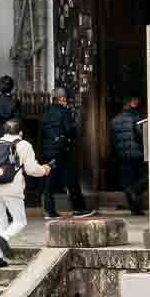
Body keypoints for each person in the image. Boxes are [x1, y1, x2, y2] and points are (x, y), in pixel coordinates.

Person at [0, 118, 49, 269]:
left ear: (4, 132)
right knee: (20, 221)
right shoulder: (23, 145)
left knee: (1, 221)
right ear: (21, 133)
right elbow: (31, 169)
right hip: (11, 189)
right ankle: (3, 238)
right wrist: (44, 170)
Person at [40, 85, 94, 219]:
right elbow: (69, 130)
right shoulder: (64, 112)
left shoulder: (45, 112)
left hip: (48, 150)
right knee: (71, 179)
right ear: (62, 99)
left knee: (49, 181)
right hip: (62, 150)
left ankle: (49, 211)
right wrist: (76, 123)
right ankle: (78, 209)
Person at [110, 96, 146, 215]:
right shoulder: (135, 118)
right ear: (132, 102)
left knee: (127, 182)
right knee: (140, 180)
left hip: (122, 156)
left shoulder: (114, 120)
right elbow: (141, 135)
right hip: (136, 154)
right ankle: (137, 205)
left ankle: (133, 209)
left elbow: (114, 141)